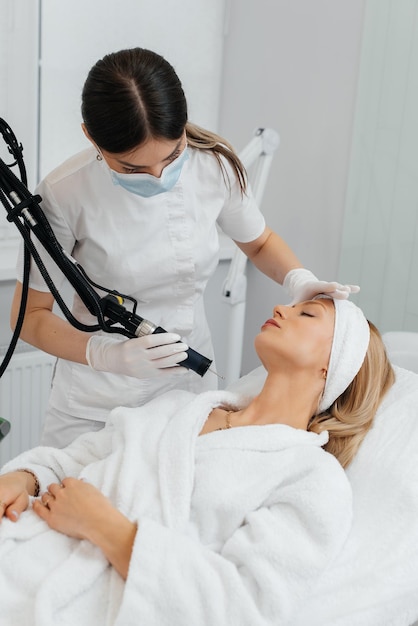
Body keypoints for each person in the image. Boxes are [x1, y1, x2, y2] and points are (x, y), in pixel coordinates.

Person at [10, 47, 359, 448]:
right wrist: (108, 355)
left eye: (173, 156)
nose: (158, 177)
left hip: (187, 391)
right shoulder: (62, 194)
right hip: (96, 400)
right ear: (91, 136)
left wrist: (299, 280)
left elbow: (259, 242)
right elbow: (30, 316)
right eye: (133, 169)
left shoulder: (214, 166)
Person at [0, 297, 394, 625]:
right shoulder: (179, 408)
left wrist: (105, 527)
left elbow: (241, 608)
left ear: (334, 365)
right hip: (24, 546)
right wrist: (23, 478)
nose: (281, 307)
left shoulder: (313, 480)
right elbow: (75, 458)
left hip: (83, 604)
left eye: (307, 313)